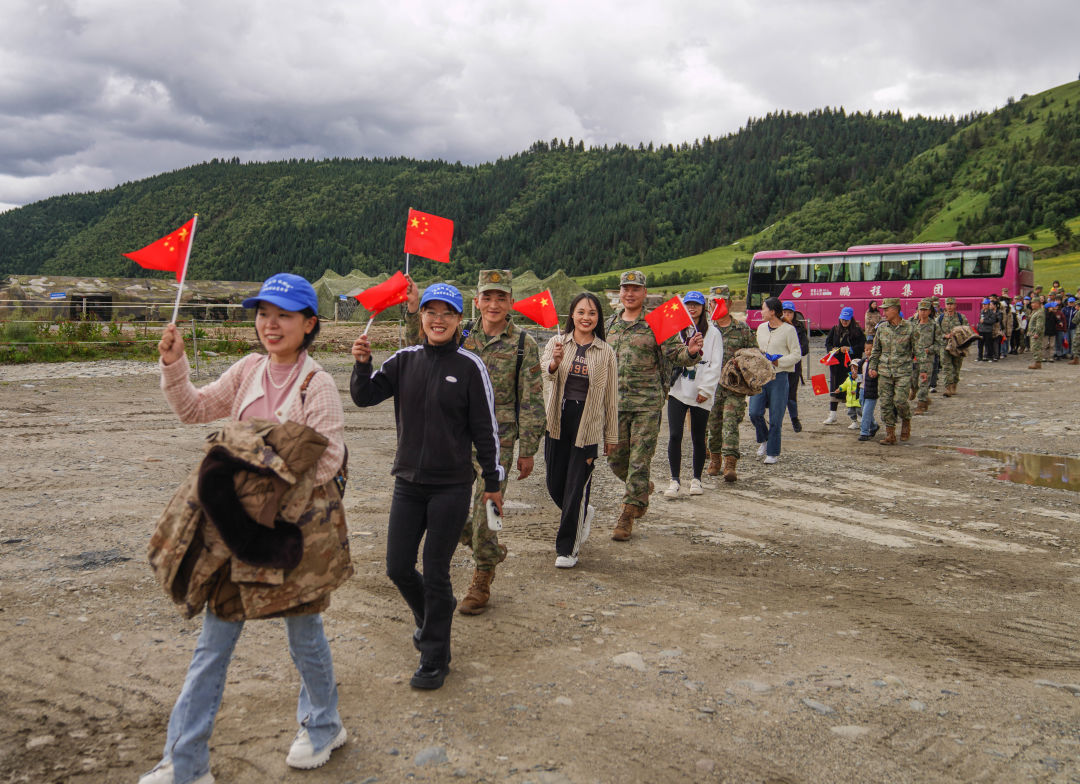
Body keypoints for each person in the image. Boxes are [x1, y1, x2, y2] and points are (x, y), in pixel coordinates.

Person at [142, 274, 350, 784]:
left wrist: (253, 462)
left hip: (291, 537)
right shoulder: (249, 370)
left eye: (283, 315)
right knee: (213, 644)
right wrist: (174, 363)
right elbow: (193, 408)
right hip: (236, 533)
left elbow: (329, 462)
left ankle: (323, 725)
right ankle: (187, 764)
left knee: (305, 635)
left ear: (309, 323)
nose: (270, 324)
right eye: (263, 313)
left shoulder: (314, 382)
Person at [350, 283, 504, 691]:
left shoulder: (471, 367)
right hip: (408, 483)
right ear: (421, 318)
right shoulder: (404, 361)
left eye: (447, 313)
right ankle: (435, 613)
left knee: (436, 570)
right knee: (398, 567)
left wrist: (493, 480)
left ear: (458, 321)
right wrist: (363, 364)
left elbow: (485, 429)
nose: (438, 319)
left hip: (451, 485)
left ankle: (435, 655)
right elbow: (364, 397)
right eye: (431, 312)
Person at [403, 270, 543, 615]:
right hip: (456, 438)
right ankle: (487, 547)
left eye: (501, 297)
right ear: (476, 301)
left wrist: (529, 449)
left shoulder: (525, 343)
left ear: (511, 302)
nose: (494, 304)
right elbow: (421, 348)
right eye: (487, 297)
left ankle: (482, 575)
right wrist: (411, 310)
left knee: (487, 512)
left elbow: (532, 399)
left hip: (500, 442)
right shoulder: (462, 335)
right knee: (444, 512)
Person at [606, 271, 702, 541]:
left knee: (639, 460)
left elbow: (677, 354)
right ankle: (641, 487)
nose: (630, 293)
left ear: (644, 293)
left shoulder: (657, 321)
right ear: (620, 292)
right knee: (615, 460)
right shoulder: (610, 324)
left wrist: (692, 350)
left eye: (635, 288)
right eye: (626, 288)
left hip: (647, 403)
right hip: (615, 404)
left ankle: (627, 514)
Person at [541, 292, 618, 567]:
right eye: (581, 312)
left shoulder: (606, 351)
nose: (586, 317)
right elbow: (545, 374)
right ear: (571, 314)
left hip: (587, 424)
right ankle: (582, 513)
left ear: (598, 319)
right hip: (558, 420)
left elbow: (611, 396)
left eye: (592, 313)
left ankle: (567, 550)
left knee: (576, 485)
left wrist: (611, 436)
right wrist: (555, 362)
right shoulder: (556, 342)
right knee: (554, 483)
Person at [664, 291, 723, 497]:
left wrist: (706, 390)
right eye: (688, 304)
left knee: (698, 437)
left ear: (703, 307)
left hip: (700, 392)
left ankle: (696, 479)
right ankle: (674, 479)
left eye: (696, 304)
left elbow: (715, 364)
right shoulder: (676, 330)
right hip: (678, 390)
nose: (692, 308)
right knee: (674, 435)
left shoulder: (713, 333)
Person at [705, 293, 756, 482]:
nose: (717, 305)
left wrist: (741, 362)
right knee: (714, 424)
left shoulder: (742, 330)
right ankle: (715, 460)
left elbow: (754, 354)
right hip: (713, 386)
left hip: (735, 387)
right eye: (713, 302)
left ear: (730, 303)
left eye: (721, 302)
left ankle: (730, 464)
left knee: (730, 422)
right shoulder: (708, 330)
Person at [748, 297, 801, 464]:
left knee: (776, 417)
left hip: (780, 377)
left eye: (763, 309)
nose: (761, 312)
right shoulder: (761, 328)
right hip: (761, 376)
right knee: (754, 412)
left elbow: (796, 354)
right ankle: (763, 439)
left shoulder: (789, 330)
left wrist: (780, 361)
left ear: (772, 311)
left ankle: (773, 452)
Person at [868, 297, 917, 444]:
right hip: (884, 372)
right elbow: (876, 350)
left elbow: (918, 350)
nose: (884, 312)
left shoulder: (909, 327)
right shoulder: (882, 328)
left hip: (903, 371)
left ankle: (906, 420)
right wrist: (872, 366)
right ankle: (890, 434)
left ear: (895, 310)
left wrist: (923, 371)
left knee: (900, 401)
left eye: (886, 309)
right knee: (886, 403)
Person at [823, 307, 865, 426]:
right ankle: (832, 415)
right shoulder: (835, 329)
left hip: (850, 365)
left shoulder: (857, 331)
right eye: (842, 319)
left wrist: (850, 349)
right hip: (836, 365)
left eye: (846, 320)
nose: (844, 322)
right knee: (835, 388)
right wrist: (832, 350)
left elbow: (862, 346)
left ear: (851, 319)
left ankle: (856, 418)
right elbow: (828, 342)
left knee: (852, 390)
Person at [781, 301, 809, 432]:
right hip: (779, 366)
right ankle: (777, 421)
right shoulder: (776, 326)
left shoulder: (799, 327)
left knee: (791, 395)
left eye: (790, 313)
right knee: (777, 395)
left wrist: (793, 354)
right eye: (785, 312)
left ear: (794, 314)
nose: (787, 315)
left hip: (794, 366)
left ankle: (794, 419)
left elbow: (805, 348)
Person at [911, 299, 942, 415]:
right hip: (914, 358)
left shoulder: (934, 325)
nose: (923, 312)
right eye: (921, 310)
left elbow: (939, 344)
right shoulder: (913, 324)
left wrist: (929, 349)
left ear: (930, 311)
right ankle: (921, 395)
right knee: (913, 380)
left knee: (923, 381)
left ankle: (921, 404)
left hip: (927, 359)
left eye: (925, 310)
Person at [938, 297, 967, 396]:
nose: (949, 306)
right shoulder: (940, 318)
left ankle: (954, 384)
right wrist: (944, 336)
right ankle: (948, 387)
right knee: (946, 367)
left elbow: (967, 331)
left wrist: (958, 335)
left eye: (951, 304)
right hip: (944, 345)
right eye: (948, 304)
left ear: (955, 305)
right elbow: (936, 332)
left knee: (956, 367)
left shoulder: (961, 317)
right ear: (945, 305)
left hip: (957, 346)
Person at [856, 340, 880, 442]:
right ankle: (874, 426)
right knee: (863, 410)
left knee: (866, 412)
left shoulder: (878, 363)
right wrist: (855, 378)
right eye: (866, 350)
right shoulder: (862, 362)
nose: (868, 352)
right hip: (862, 389)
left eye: (871, 350)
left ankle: (864, 432)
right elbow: (859, 377)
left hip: (872, 390)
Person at [1028, 296, 1046, 369]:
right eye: (1032, 303)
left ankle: (1038, 363)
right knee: (1034, 348)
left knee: (1036, 348)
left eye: (1034, 303)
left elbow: (1040, 324)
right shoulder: (1036, 312)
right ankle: (1037, 362)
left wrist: (1037, 333)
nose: (1032, 304)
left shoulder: (1040, 313)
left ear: (1038, 304)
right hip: (1032, 333)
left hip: (1036, 334)